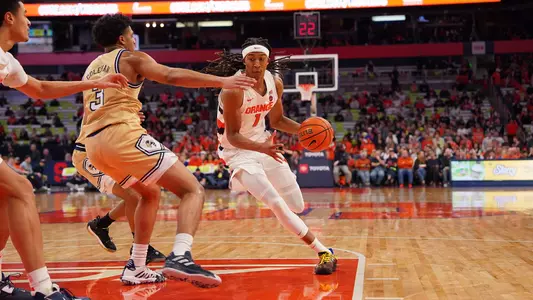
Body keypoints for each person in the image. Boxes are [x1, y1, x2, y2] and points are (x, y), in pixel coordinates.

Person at [82, 14, 255, 287]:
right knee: (192, 190)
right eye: (130, 34)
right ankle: (180, 255)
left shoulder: (91, 67)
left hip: (93, 146)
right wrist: (221, 81)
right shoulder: (131, 57)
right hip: (120, 136)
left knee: (148, 193)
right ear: (122, 39)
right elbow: (171, 75)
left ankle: (136, 266)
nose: (132, 39)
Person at [0, 1, 128, 299]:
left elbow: (40, 90)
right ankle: (44, 290)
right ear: (8, 17)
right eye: (25, 16)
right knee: (19, 188)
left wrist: (94, 82)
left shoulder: (6, 60)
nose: (29, 22)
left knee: (8, 193)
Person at [203, 37, 337, 275]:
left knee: (296, 204)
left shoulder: (275, 82)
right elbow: (233, 136)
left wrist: (307, 131)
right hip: (238, 153)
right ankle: (323, 251)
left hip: (264, 144)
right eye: (251, 59)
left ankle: (251, 187)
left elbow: (277, 121)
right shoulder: (233, 90)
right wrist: (261, 149)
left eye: (261, 58)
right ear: (244, 61)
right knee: (275, 203)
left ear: (268, 60)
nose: (256, 63)